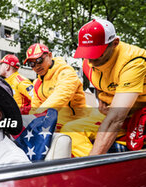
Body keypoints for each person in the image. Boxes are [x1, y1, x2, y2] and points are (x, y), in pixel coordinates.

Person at [62, 18, 146, 156]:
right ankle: (94, 172)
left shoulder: (133, 61)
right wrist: (101, 100)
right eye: (87, 53)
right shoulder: (87, 62)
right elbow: (98, 84)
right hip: (113, 113)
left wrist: (92, 162)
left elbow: (116, 118)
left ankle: (93, 168)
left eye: (97, 53)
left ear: (115, 43)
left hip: (138, 116)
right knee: (69, 130)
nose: (91, 60)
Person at [24, 43, 89, 129]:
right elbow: (35, 107)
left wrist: (36, 116)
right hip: (52, 127)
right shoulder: (37, 83)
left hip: (75, 124)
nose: (36, 66)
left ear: (50, 55)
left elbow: (61, 95)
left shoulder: (67, 72)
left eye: (39, 60)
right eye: (31, 64)